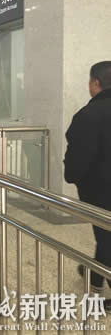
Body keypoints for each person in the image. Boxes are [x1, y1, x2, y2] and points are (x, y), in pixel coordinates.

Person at [64, 61, 111, 311]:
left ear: (96, 83)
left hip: (101, 191)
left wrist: (71, 175)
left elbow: (77, 159)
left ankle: (98, 278)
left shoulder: (89, 115)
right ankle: (95, 273)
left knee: (105, 236)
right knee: (105, 236)